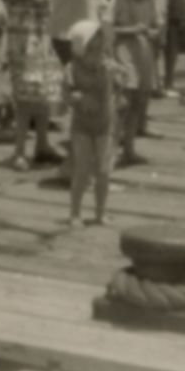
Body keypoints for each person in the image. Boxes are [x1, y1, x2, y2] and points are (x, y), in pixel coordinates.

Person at [2, 0, 62, 170]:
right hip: (25, 22)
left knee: (46, 84)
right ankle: (19, 150)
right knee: (27, 85)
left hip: (50, 20)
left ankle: (42, 143)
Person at [61, 19, 129, 228]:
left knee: (103, 171)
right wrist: (76, 96)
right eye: (92, 49)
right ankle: (75, 213)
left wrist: (120, 78)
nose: (97, 54)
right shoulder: (72, 68)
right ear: (80, 50)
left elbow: (123, 80)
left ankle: (100, 212)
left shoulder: (107, 66)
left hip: (105, 125)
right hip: (81, 126)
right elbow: (66, 95)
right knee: (82, 170)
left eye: (100, 48)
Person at [108, 0, 161, 167]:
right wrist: (132, 30)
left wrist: (154, 32)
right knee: (123, 102)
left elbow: (155, 24)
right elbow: (109, 28)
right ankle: (111, 150)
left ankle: (129, 148)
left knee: (139, 101)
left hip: (143, 52)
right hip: (124, 51)